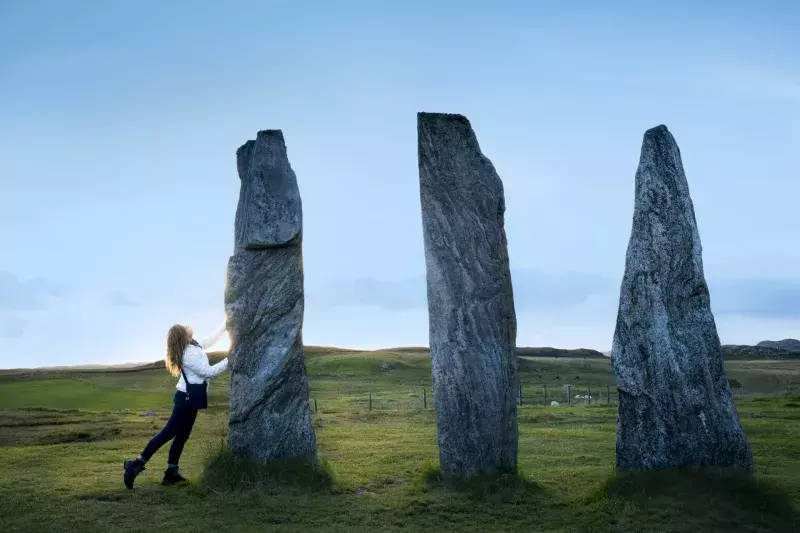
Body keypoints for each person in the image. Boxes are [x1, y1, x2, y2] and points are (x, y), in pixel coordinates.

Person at [123, 322, 229, 488]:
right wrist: (231, 359)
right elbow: (209, 372)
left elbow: (211, 339)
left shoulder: (194, 344)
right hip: (186, 399)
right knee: (168, 433)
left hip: (192, 398)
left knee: (182, 436)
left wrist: (225, 325)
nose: (189, 328)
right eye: (186, 329)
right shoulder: (188, 354)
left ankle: (171, 473)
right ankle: (135, 465)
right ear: (182, 336)